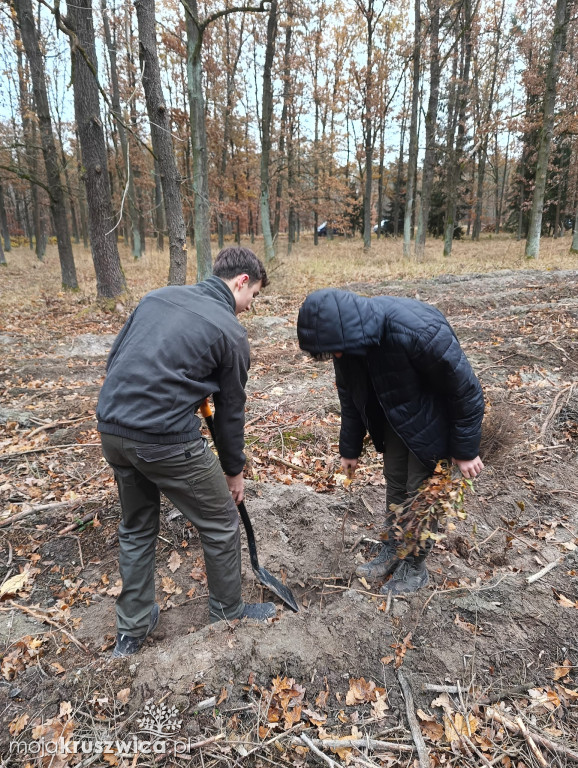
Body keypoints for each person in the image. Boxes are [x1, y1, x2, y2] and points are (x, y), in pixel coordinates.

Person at [97, 246, 276, 657]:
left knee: (137, 526)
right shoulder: (229, 331)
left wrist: (183, 392)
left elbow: (119, 359)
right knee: (220, 522)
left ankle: (132, 631)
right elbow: (231, 412)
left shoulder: (157, 297)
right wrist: (234, 472)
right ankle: (228, 614)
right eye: (255, 296)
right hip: (163, 439)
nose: (251, 307)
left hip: (112, 427)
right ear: (241, 282)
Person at [297, 288, 485, 594]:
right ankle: (393, 550)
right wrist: (350, 448)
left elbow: (466, 391)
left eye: (336, 351)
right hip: (398, 417)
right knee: (396, 482)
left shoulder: (416, 330)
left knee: (421, 494)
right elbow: (351, 396)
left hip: (438, 419)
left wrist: (465, 451)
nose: (336, 357)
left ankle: (414, 567)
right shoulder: (345, 341)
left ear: (351, 331)